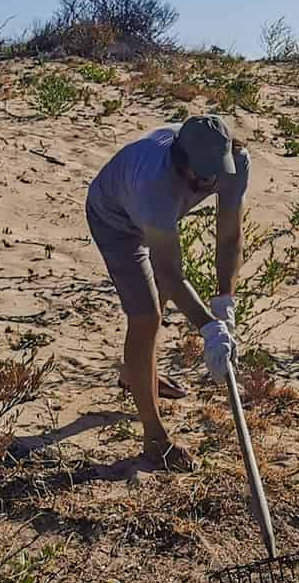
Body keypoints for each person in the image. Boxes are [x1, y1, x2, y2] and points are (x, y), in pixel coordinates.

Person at [85, 114, 249, 469]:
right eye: (198, 176)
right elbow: (171, 274)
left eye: (213, 174)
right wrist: (209, 329)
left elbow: (230, 236)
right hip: (114, 218)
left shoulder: (235, 164)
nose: (206, 183)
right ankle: (154, 439)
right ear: (179, 162)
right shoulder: (154, 183)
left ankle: (135, 373)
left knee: (156, 301)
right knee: (146, 315)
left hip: (154, 217)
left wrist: (224, 301)